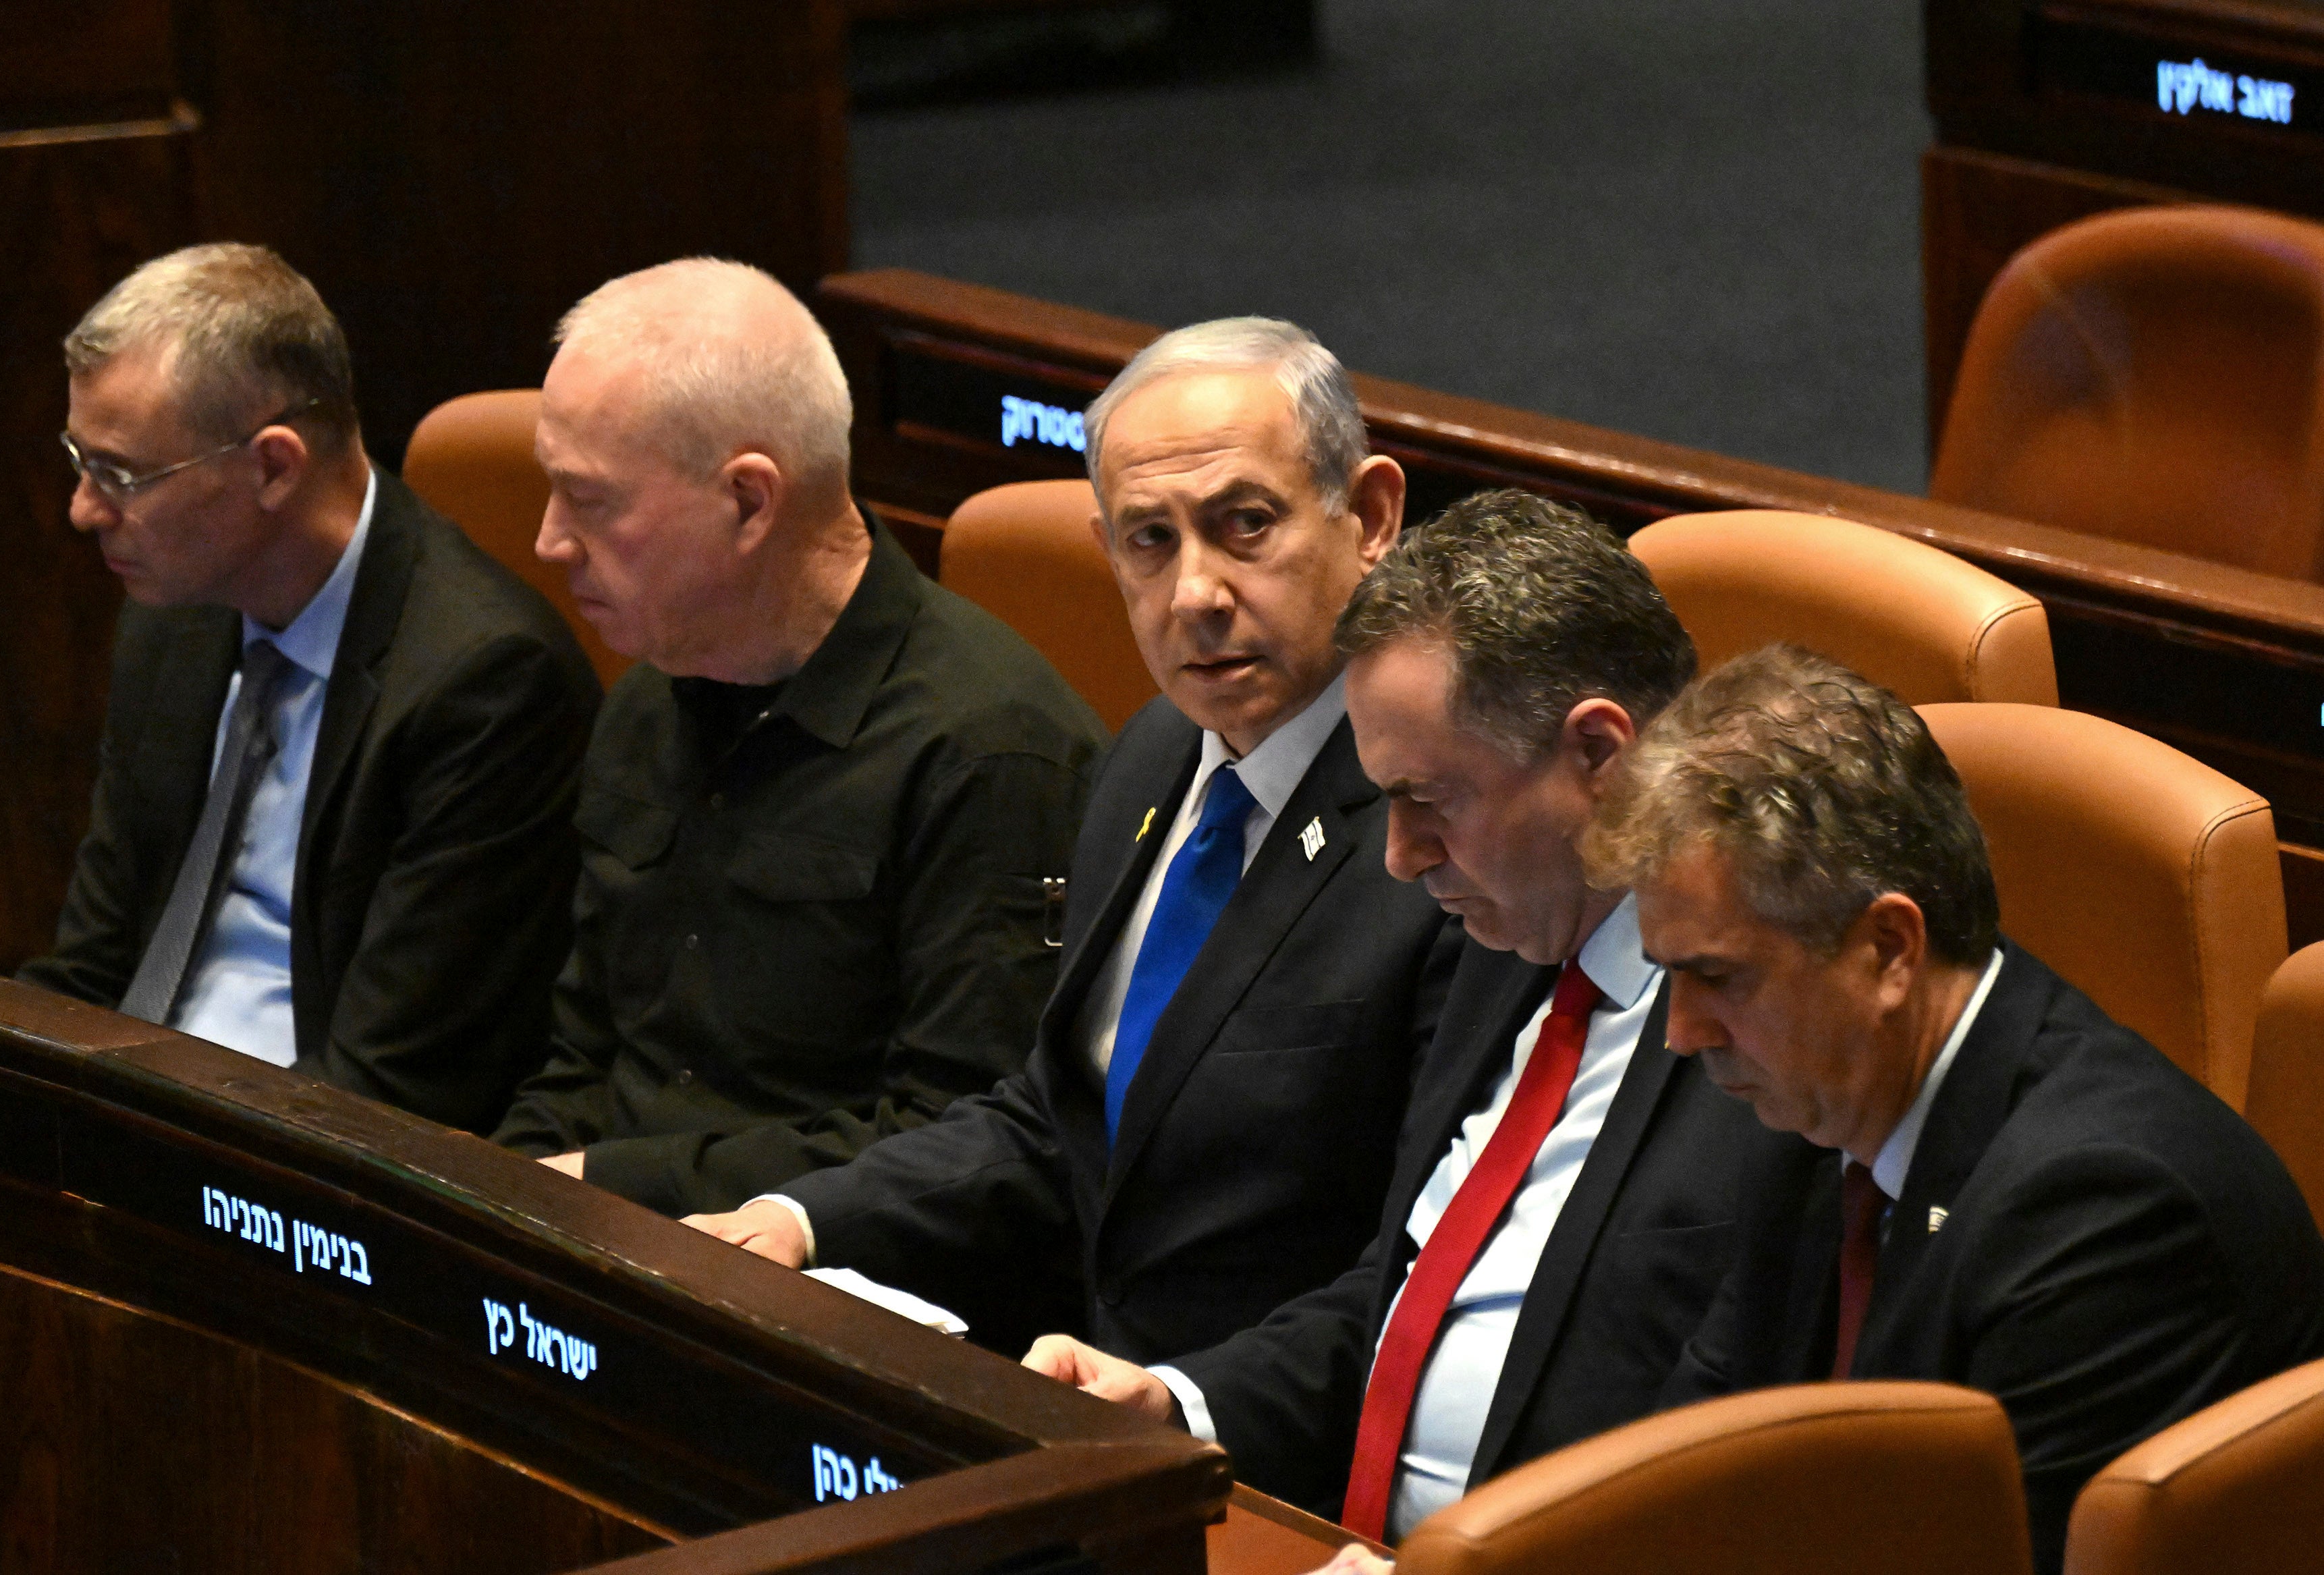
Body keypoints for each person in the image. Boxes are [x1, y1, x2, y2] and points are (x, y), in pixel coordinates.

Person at [682, 317, 1461, 1360]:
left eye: (1244, 524)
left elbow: (1420, 1263)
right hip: (1080, 1378)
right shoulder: (1151, 754)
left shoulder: (1443, 834)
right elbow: (1064, 1122)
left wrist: (1187, 1398)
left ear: (1368, 516)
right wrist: (805, 1218)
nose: (1195, 594)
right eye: (1150, 540)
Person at [1019, 491, 1757, 1543]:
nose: (1401, 857)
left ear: (1599, 755)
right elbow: (1411, 1295)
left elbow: (1737, 1463)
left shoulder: (1766, 1041)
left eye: (1431, 800)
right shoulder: (1512, 945)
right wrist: (1181, 1404)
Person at [1586, 644, 2324, 1575]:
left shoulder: (2109, 1215)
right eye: (1669, 976)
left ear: (1890, 949)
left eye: (1718, 976)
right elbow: (1673, 1483)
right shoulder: (1816, 1118)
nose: (1681, 1032)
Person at [491, 259, 1106, 1218]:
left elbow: (966, 1139)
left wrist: (610, 1185)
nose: (549, 541)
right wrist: (505, 1194)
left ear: (749, 501)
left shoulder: (989, 755)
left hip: (836, 1285)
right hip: (614, 1244)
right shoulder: (649, 699)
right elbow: (583, 1055)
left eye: (593, 500)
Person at [20, 244, 601, 1133]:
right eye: (80, 458)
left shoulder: (484, 685)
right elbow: (96, 963)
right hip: (132, 1105)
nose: (84, 510)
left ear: (273, 467)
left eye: (121, 475)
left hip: (303, 1157)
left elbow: (392, 1087)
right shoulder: (172, 614)